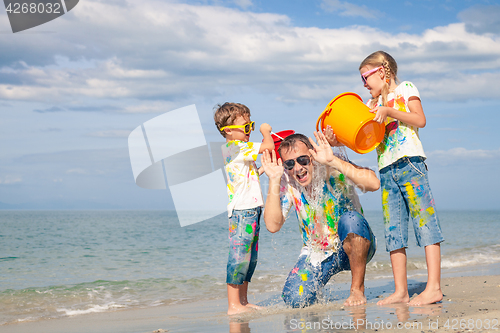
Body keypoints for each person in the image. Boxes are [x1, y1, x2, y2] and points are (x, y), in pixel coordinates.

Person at [359, 50, 444, 306]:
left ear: (383, 71)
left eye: (366, 77)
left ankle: (434, 288)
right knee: (393, 230)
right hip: (386, 170)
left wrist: (390, 111)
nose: (364, 84)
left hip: (411, 163)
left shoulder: (406, 88)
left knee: (425, 223)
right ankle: (401, 291)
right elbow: (360, 138)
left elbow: (420, 119)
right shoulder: (371, 106)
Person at [261, 131, 380, 307]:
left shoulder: (331, 164)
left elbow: (373, 184)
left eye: (303, 159)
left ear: (312, 155)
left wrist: (333, 161)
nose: (298, 168)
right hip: (318, 253)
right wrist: (274, 179)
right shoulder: (288, 181)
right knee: (295, 300)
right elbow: (272, 225)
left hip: (356, 242)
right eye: (289, 163)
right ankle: (317, 291)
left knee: (351, 219)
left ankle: (357, 289)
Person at [213, 102, 274, 315]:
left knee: (250, 259)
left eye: (252, 126)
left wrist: (261, 170)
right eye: (246, 127)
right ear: (228, 131)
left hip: (252, 209)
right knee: (239, 257)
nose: (250, 131)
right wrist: (265, 131)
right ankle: (233, 305)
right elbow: (268, 146)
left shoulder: (240, 151)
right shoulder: (235, 147)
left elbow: (246, 177)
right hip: (242, 212)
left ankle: (243, 301)